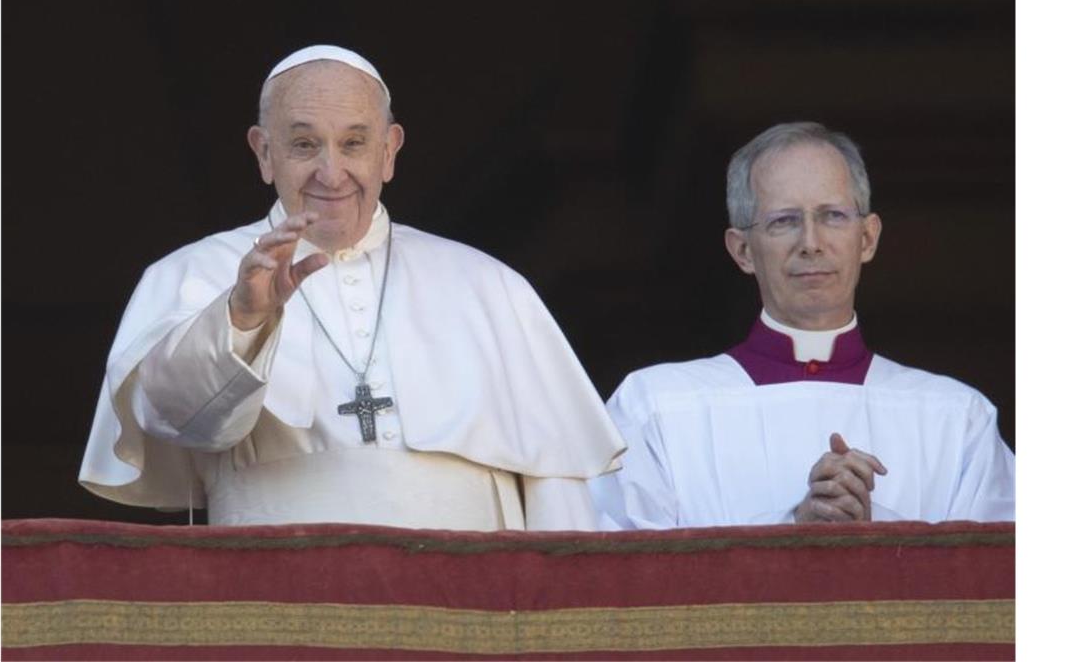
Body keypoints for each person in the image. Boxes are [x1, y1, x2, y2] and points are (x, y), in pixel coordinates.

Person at [80, 45, 625, 530]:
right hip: (276, 615)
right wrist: (241, 319)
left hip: (469, 623)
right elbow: (175, 420)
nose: (331, 173)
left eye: (354, 143)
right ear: (263, 153)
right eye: (303, 144)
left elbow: (559, 483)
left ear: (389, 150)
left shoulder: (489, 287)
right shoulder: (192, 274)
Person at [589, 122, 1014, 528]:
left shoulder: (957, 420)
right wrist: (796, 528)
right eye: (784, 221)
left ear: (867, 238)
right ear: (742, 251)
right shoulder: (655, 409)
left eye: (832, 216)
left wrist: (872, 532)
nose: (811, 243)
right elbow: (623, 580)